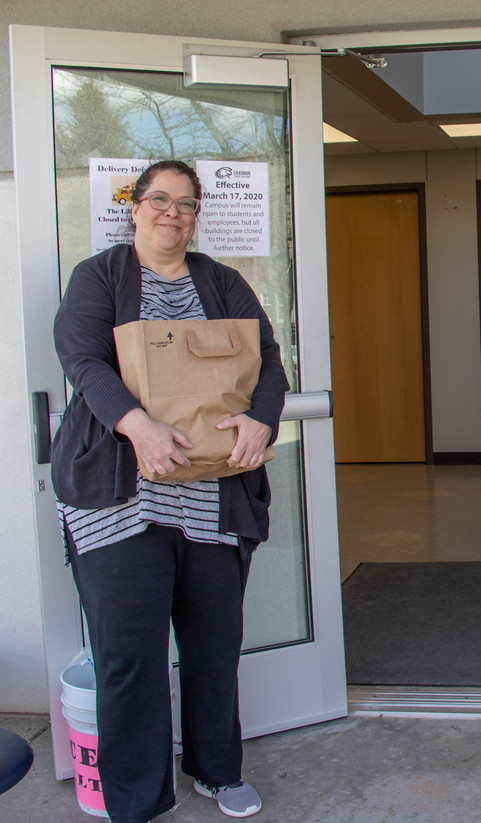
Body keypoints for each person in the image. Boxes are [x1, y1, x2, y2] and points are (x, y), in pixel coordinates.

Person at [51, 160, 289, 822]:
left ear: (196, 215)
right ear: (134, 206)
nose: (172, 213)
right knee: (130, 655)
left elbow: (268, 360)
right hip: (121, 498)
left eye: (186, 204)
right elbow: (82, 359)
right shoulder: (100, 277)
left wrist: (260, 417)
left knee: (213, 645)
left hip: (212, 495)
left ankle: (216, 768)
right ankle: (136, 797)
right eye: (159, 199)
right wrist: (137, 426)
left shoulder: (223, 281)